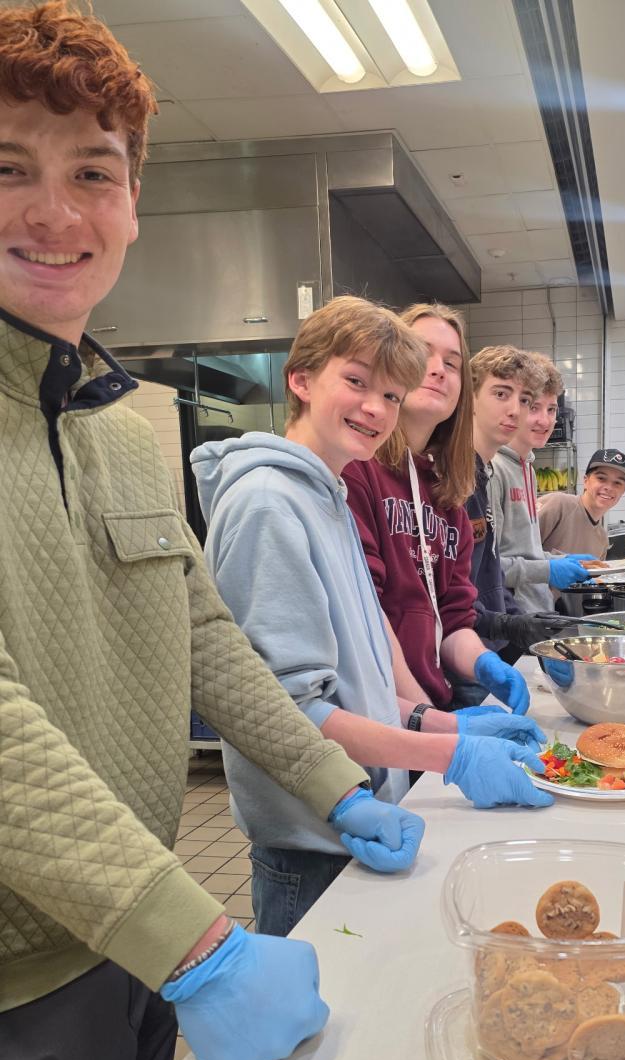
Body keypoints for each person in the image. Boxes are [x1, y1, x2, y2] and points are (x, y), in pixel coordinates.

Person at [0, 6, 400, 1060]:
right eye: (7, 167)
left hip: (135, 941)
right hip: (21, 975)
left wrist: (342, 785)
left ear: (132, 205)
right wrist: (202, 941)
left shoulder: (128, 419)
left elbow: (205, 633)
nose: (54, 212)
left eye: (92, 172)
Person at [193, 297, 552, 933]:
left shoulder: (328, 495)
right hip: (312, 835)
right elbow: (288, 711)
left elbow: (359, 670)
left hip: (359, 813)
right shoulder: (268, 505)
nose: (376, 408)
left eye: (390, 394)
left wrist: (435, 721)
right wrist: (450, 753)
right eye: (356, 382)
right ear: (301, 380)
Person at [344, 303, 530, 715]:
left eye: (452, 363)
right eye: (421, 352)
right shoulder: (356, 469)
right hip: (377, 710)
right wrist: (427, 720)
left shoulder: (449, 495)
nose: (438, 370)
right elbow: (363, 616)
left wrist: (483, 663)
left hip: (430, 704)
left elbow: (454, 618)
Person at [489, 351, 596, 611]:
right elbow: (486, 567)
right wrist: (548, 570)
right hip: (511, 618)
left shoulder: (528, 469)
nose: (544, 421)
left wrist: (558, 560)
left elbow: (523, 551)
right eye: (534, 407)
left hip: (538, 611)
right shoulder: (493, 469)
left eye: (551, 409)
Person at [538, 447, 625, 561]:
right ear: (585, 481)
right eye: (601, 478)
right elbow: (519, 550)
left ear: (624, 490)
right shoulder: (558, 505)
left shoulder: (602, 540)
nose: (609, 487)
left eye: (617, 483)